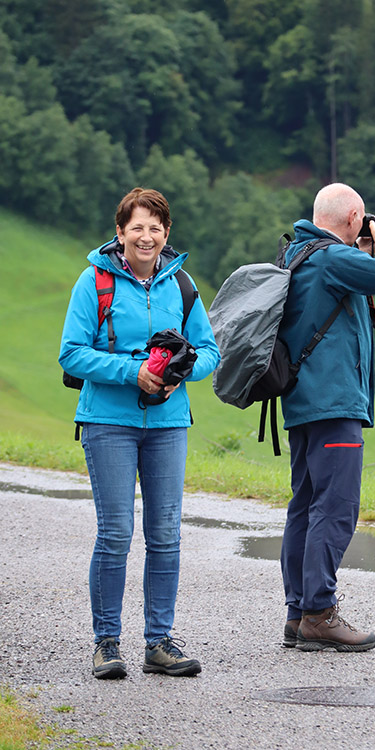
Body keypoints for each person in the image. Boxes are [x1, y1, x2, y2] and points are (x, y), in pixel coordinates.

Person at [59, 188, 220, 678]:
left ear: (166, 234)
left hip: (168, 423)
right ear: (120, 233)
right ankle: (106, 643)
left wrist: (178, 374)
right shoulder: (95, 283)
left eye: (155, 227)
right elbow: (71, 353)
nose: (146, 236)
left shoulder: (184, 286)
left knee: (165, 534)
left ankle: (159, 643)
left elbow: (210, 352)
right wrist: (133, 373)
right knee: (115, 534)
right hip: (108, 422)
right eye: (137, 227)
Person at [278, 182, 375, 652]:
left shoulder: (300, 255)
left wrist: (362, 249)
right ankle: (319, 612)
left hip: (302, 403)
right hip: (334, 402)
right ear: (355, 215)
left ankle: (299, 613)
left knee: (305, 505)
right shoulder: (331, 259)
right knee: (334, 508)